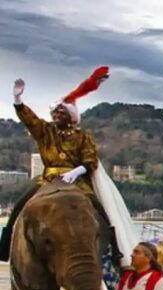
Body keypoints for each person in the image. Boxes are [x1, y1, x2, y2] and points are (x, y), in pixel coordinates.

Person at [0, 69, 137, 266]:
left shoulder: (83, 136)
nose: (56, 114)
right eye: (54, 111)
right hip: (47, 179)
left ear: (71, 116)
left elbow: (91, 160)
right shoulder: (46, 131)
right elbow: (30, 120)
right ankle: (5, 246)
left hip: (76, 180)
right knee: (20, 205)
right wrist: (18, 99)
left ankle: (115, 248)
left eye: (60, 111)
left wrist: (76, 171)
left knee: (100, 210)